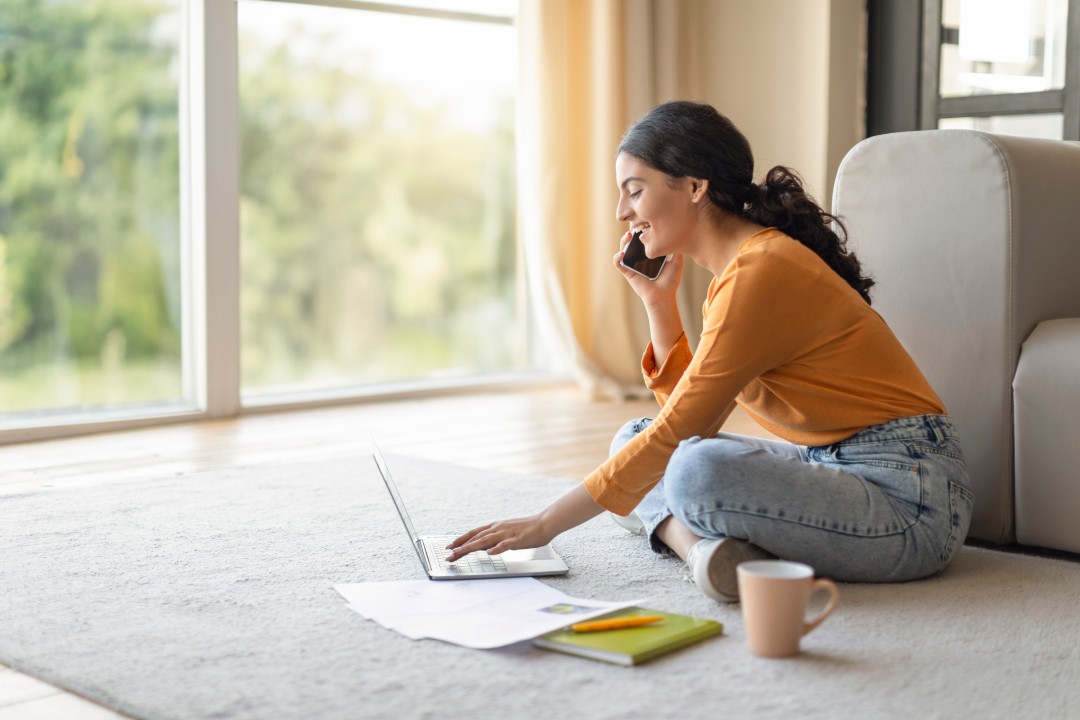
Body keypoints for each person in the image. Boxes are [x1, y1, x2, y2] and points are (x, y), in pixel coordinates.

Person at [448, 100, 973, 602]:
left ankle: (697, 543)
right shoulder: (738, 273)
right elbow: (685, 416)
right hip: (836, 468)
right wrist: (659, 303)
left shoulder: (761, 271)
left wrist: (544, 524)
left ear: (696, 186)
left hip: (912, 503)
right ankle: (706, 555)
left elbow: (681, 430)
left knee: (691, 471)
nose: (620, 211)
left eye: (634, 190)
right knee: (634, 439)